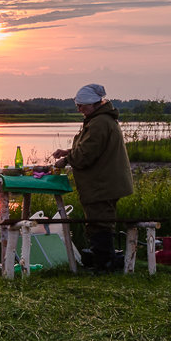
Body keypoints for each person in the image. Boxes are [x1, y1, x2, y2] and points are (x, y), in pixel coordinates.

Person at [52, 83, 134, 271]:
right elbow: (91, 148)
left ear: (93, 103)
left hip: (103, 184)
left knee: (100, 222)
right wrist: (69, 151)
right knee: (99, 220)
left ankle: (105, 264)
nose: (79, 109)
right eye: (78, 105)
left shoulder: (99, 123)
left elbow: (86, 155)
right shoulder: (99, 120)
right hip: (104, 183)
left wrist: (66, 160)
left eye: (81, 105)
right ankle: (103, 259)